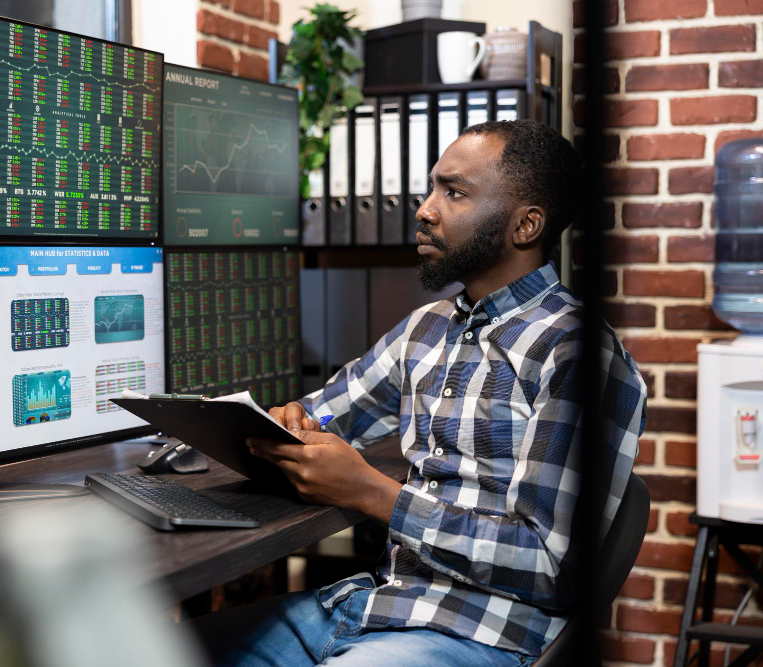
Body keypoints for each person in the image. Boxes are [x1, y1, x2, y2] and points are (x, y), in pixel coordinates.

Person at [190, 119, 647, 666]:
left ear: (525, 225)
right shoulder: (425, 329)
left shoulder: (580, 356)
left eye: (453, 192)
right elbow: (323, 415)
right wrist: (290, 424)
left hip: (477, 634)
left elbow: (551, 568)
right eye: (432, 188)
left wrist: (370, 491)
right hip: (370, 607)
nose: (425, 209)